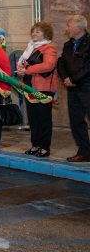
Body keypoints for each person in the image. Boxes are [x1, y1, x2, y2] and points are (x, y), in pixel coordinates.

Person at [15, 22, 58, 158]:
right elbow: (22, 62)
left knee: (43, 118)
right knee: (33, 118)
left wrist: (27, 70)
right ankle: (35, 145)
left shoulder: (49, 48)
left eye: (38, 32)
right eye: (33, 31)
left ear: (46, 34)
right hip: (29, 87)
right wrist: (21, 70)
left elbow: (48, 65)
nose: (34, 34)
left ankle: (44, 147)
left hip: (43, 88)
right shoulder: (30, 47)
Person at [57, 14, 90, 162]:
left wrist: (74, 79)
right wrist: (65, 78)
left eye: (68, 25)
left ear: (78, 27)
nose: (67, 28)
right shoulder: (67, 45)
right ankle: (84, 151)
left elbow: (88, 66)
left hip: (87, 87)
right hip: (72, 89)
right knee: (76, 121)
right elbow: (61, 62)